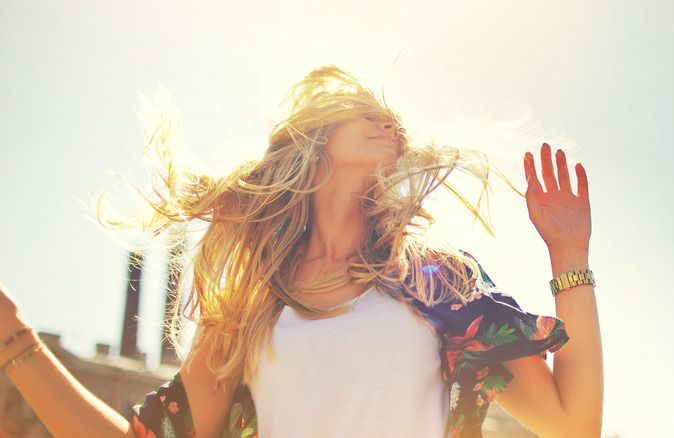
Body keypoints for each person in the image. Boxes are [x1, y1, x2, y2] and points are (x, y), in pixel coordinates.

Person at [0, 66, 603, 438]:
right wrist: (16, 343)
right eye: (365, 112)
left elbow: (574, 425)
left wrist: (568, 254)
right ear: (313, 136)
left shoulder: (435, 282)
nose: (387, 122)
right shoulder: (248, 312)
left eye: (390, 118)